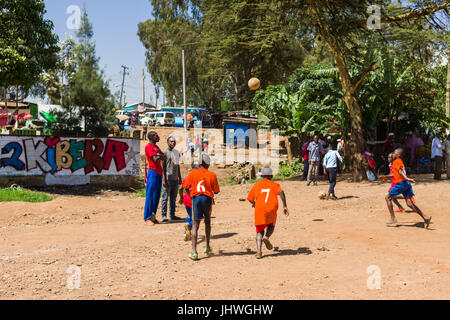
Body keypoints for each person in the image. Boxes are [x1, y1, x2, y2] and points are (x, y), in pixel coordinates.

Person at [182, 154, 220, 261]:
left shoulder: (193, 173)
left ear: (199, 164)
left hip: (196, 199)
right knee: (207, 222)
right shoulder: (212, 174)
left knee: (195, 224)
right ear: (208, 164)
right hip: (207, 199)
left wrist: (191, 195)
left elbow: (185, 186)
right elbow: (216, 191)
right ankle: (207, 246)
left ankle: (194, 252)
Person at [247, 167, 289, 259]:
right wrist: (284, 205)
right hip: (271, 208)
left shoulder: (256, 185)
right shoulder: (275, 184)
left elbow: (250, 198)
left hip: (260, 209)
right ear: (271, 176)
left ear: (262, 176)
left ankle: (259, 252)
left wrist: (254, 203)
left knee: (259, 231)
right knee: (271, 225)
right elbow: (281, 192)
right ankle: (267, 236)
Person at [385, 148, 431, 228]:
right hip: (406, 184)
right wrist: (386, 177)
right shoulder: (399, 161)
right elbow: (397, 173)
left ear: (398, 155)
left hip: (401, 183)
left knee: (387, 197)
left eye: (394, 153)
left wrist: (407, 178)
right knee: (409, 204)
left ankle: (393, 218)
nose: (393, 154)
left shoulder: (396, 161)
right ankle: (425, 217)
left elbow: (400, 172)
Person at [143, 131, 166, 225]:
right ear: (151, 137)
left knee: (156, 195)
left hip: (159, 172)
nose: (158, 136)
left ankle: (153, 216)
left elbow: (164, 157)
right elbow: (155, 159)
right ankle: (147, 217)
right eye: (156, 135)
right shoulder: (148, 147)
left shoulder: (156, 147)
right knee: (150, 195)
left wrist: (159, 156)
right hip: (153, 172)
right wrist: (159, 156)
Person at [161, 135, 183, 222]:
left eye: (174, 141)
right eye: (171, 141)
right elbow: (162, 166)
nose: (172, 143)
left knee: (173, 198)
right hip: (167, 178)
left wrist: (180, 178)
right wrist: (163, 179)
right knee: (165, 197)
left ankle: (172, 214)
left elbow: (178, 166)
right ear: (167, 142)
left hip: (175, 178)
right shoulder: (165, 153)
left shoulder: (176, 152)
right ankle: (164, 215)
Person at [179, 161, 199, 241]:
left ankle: (185, 232)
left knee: (189, 215)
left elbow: (180, 189)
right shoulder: (198, 177)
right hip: (194, 199)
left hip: (186, 199)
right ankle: (189, 225)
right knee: (196, 219)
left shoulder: (187, 176)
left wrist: (180, 198)